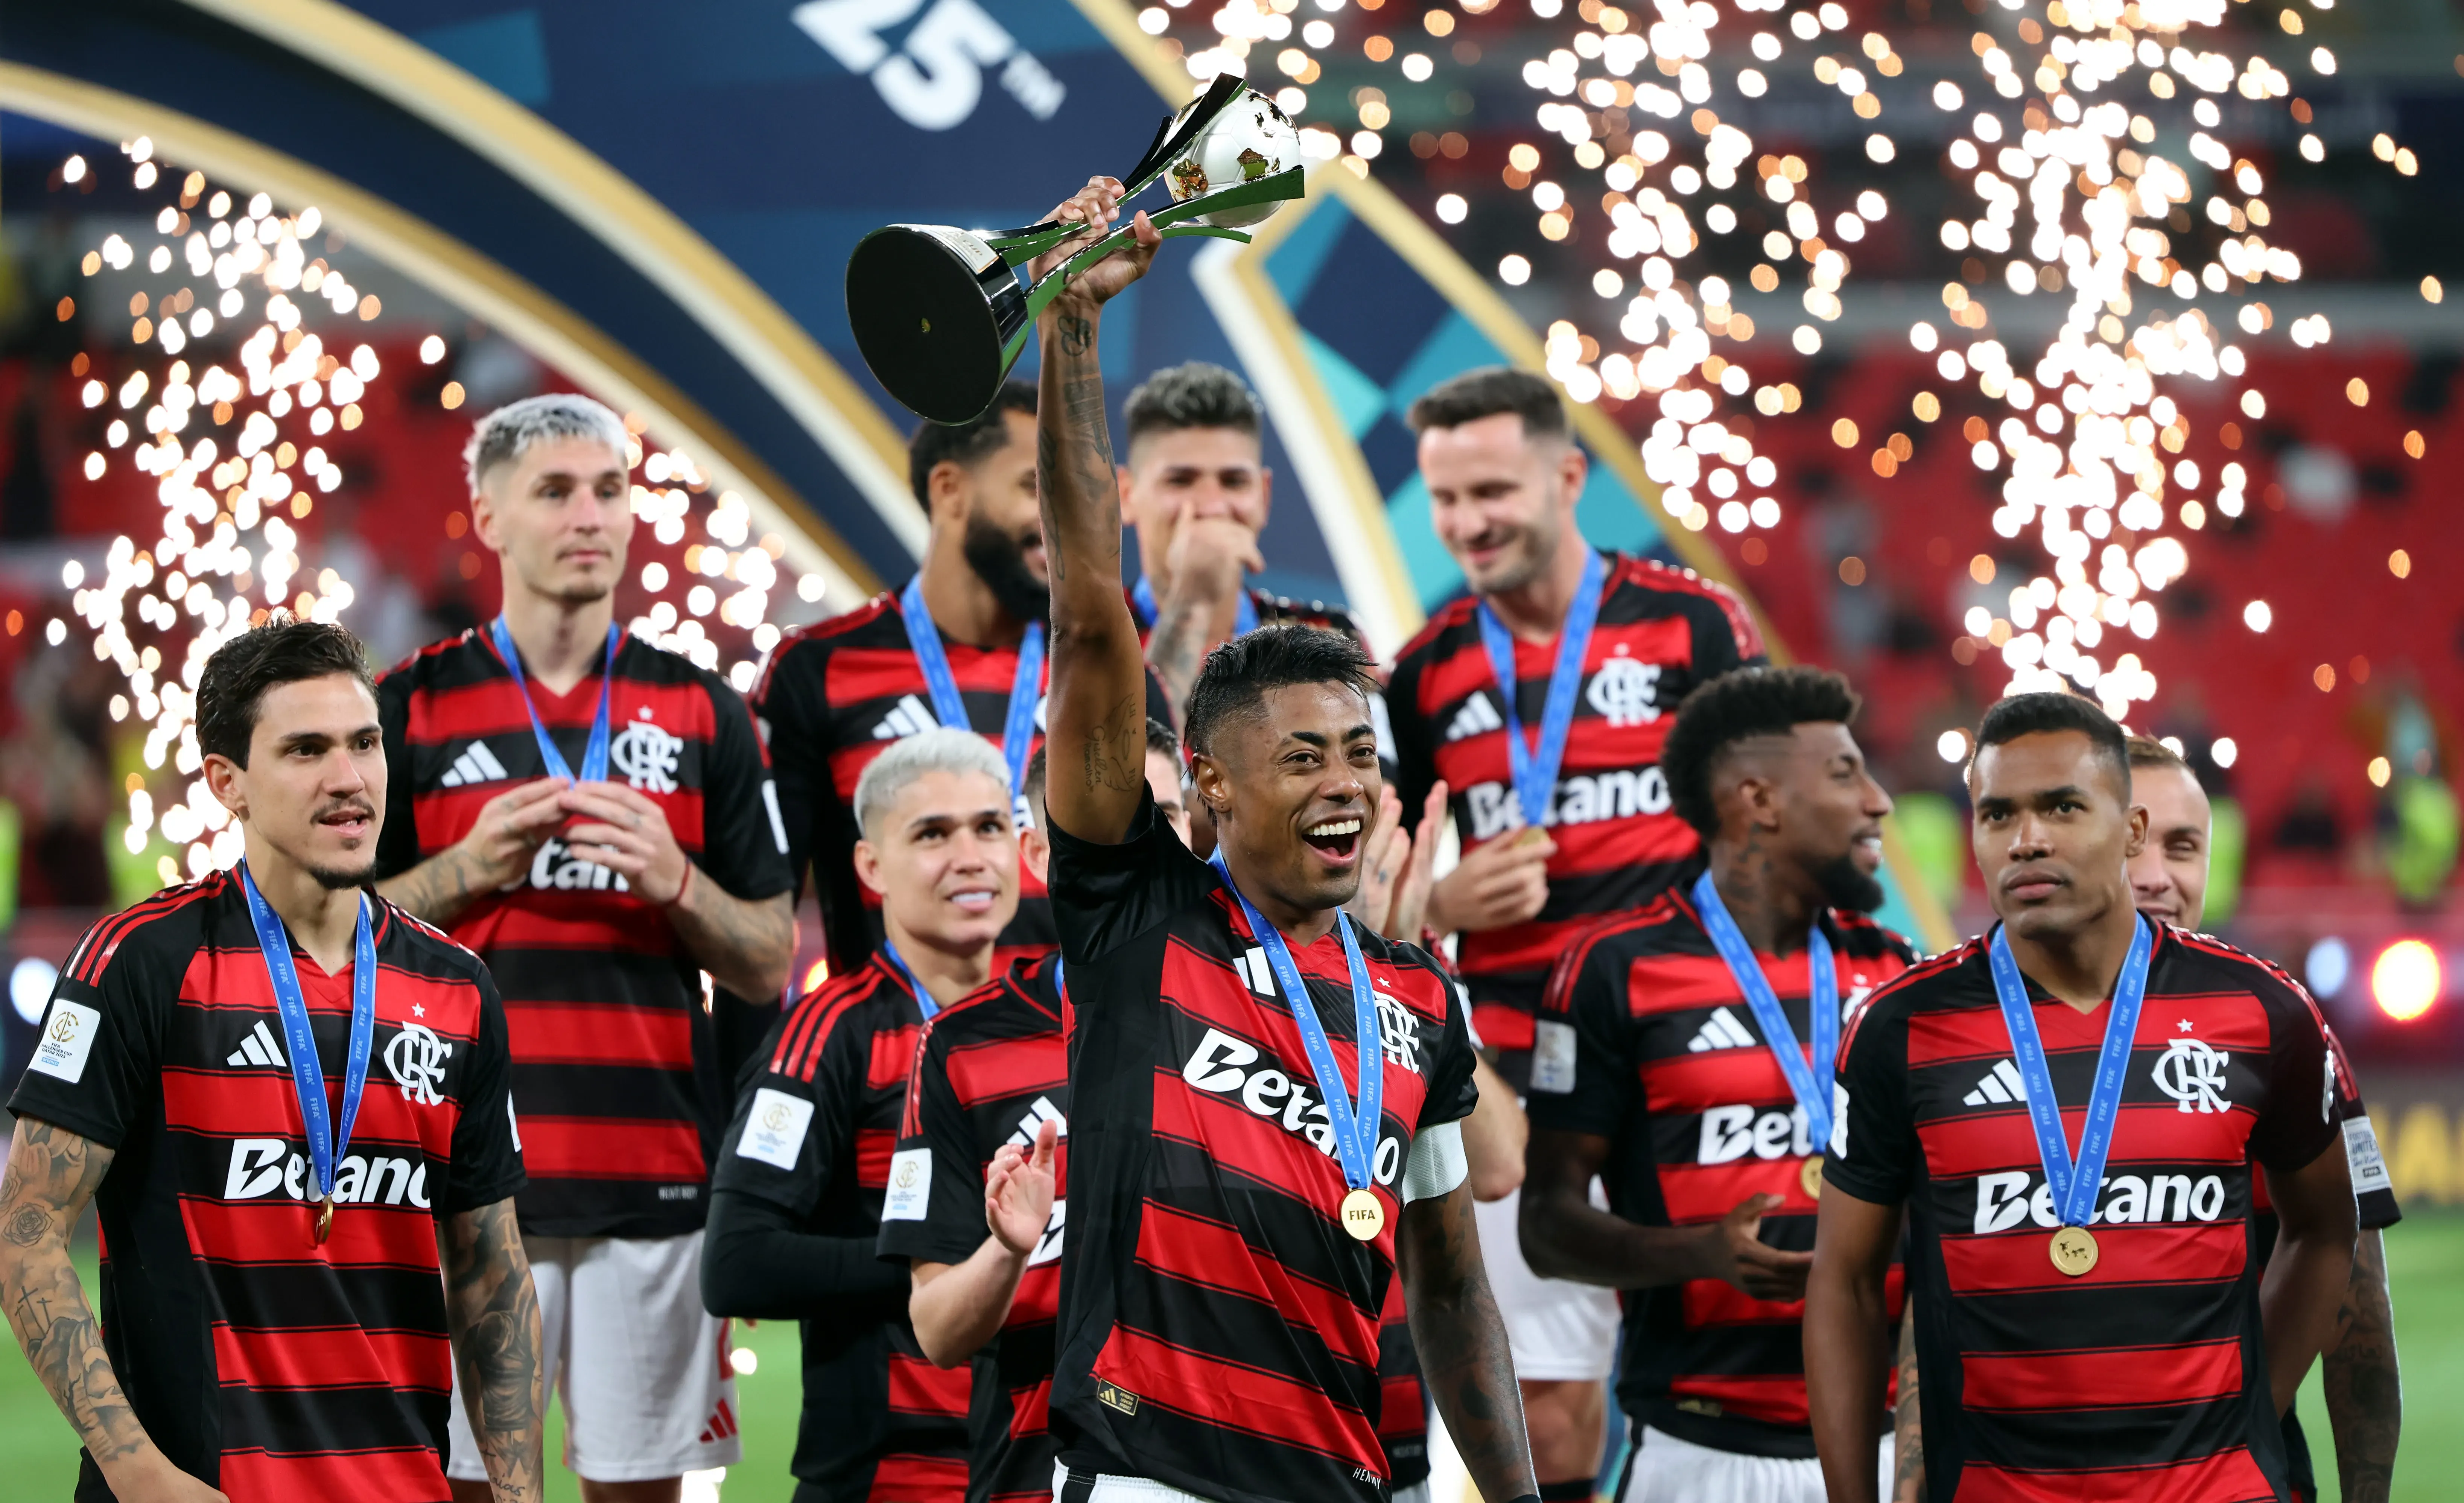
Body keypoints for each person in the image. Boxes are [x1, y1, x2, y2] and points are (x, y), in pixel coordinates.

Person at [1025, 178, 1538, 1503]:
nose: (1344, 786)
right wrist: (1071, 330)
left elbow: (1448, 1286)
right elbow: (1089, 625)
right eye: (1300, 757)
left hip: (1340, 1477)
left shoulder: (1414, 1000)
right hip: (1146, 1476)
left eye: (1361, 756)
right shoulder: (1137, 910)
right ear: (1203, 785)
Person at [2, 617, 539, 1502]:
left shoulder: (459, 989)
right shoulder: (139, 961)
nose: (349, 778)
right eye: (305, 749)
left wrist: (518, 1495)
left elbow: (492, 1273)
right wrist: (138, 1473)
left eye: (365, 742)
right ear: (229, 783)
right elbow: (27, 1232)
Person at [373, 394, 797, 1501]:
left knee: (640, 1493)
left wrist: (677, 881)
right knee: (462, 1489)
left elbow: (765, 957)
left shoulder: (702, 709)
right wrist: (461, 872)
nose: (590, 514)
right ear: (490, 517)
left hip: (651, 1185)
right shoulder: (408, 708)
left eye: (610, 489)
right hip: (458, 1186)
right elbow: (328, 936)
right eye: (556, 490)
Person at [1807, 692, 2358, 1503]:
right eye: (1997, 814)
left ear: (2128, 831)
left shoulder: (2260, 1010)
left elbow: (2326, 1230)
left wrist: (2244, 1419)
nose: (2026, 839)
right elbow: (1846, 1283)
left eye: (2061, 806)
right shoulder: (1899, 1027)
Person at [1385, 365, 1767, 1497]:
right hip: (1519, 1079)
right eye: (1446, 499)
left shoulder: (1692, 622)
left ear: (1567, 476)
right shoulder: (1422, 669)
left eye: (1492, 489)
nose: (1467, 523)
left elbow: (1762, 825)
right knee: (1547, 1421)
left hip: (1688, 1071)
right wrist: (1445, 905)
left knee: (1728, 1379)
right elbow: (1383, 893)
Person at [1524, 666, 1915, 1502]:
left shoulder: (1894, 974)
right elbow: (1545, 1227)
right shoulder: (1612, 969)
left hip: (1887, 1448)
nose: (1879, 800)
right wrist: (1699, 1253)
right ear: (1760, 801)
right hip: (1696, 1451)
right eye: (1845, 773)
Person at [701, 728, 1027, 1500]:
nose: (970, 855)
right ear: (870, 867)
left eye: (989, 827)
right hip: (890, 1476)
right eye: (932, 833)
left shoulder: (1055, 1014)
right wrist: (950, 1266)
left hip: (1038, 1466)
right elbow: (738, 1262)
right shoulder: (832, 1031)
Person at [753, 382, 1174, 978]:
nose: (1062, 517)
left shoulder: (1113, 674)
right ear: (950, 491)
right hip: (895, 1063)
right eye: (1036, 487)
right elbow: (761, 919)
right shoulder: (815, 670)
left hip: (1081, 1061)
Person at [874, 729, 1188, 1503]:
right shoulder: (960, 1044)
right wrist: (1008, 1252)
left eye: (1169, 821)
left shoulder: (1266, 1016)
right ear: (1041, 855)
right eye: (1114, 825)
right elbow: (938, 1330)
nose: (1144, 851)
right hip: (1032, 1480)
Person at [1118, 362, 1359, 716]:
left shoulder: (1330, 634)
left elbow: (1372, 772)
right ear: (1126, 495)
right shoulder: (1085, 643)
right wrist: (1193, 601)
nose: (1213, 506)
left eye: (1234, 481)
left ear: (1264, 495)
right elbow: (1126, 765)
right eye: (1181, 480)